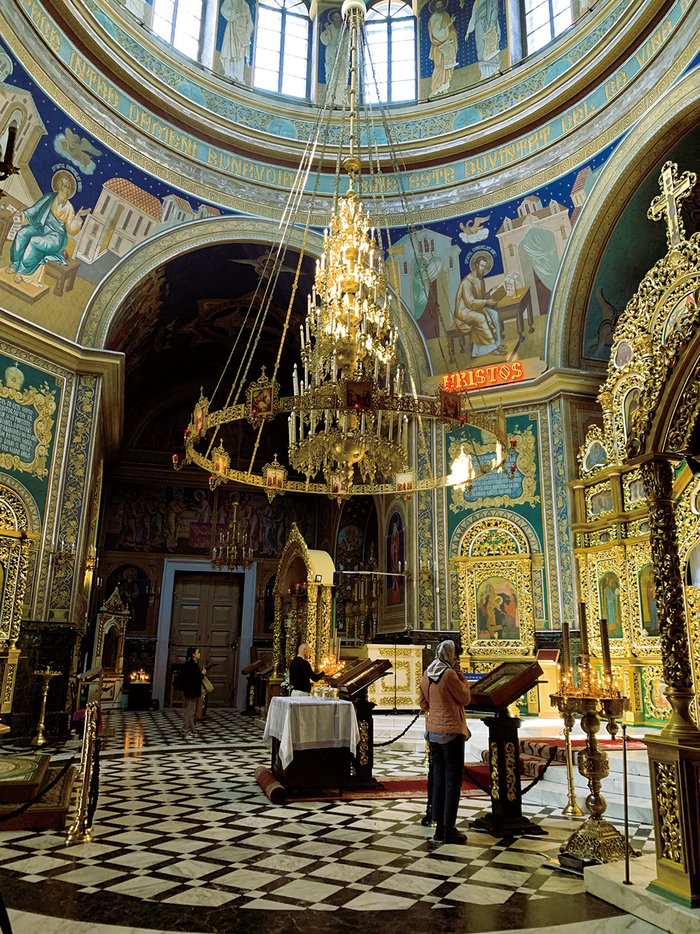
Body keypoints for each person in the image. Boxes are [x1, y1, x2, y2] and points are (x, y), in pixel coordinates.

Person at [419, 640, 471, 845]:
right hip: (451, 732)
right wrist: (463, 680)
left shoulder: (428, 673)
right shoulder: (449, 674)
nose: (456, 658)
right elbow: (465, 698)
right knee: (453, 780)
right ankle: (449, 827)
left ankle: (438, 826)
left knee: (438, 778)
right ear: (450, 655)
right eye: (455, 655)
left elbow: (423, 703)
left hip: (433, 733)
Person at [7, 171, 89, 286]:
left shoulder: (69, 208)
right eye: (65, 186)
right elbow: (35, 209)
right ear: (59, 186)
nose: (67, 190)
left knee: (35, 241)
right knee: (22, 233)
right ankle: (15, 264)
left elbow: (71, 229)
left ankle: (22, 272)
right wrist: (22, 215)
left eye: (69, 188)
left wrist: (78, 217)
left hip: (55, 237)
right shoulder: (50, 197)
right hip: (41, 228)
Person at [453, 252, 508, 358]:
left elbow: (481, 297)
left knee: (494, 314)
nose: (483, 269)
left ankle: (497, 344)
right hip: (464, 311)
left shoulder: (480, 280)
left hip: (475, 308)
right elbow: (470, 302)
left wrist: (492, 291)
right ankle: (492, 348)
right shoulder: (467, 282)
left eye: (485, 266)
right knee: (481, 317)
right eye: (482, 266)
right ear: (476, 265)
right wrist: (486, 302)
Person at [428, 0, 458, 97]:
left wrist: (451, 37)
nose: (440, 6)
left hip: (447, 43)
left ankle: (445, 86)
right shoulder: (434, 18)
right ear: (435, 7)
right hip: (438, 45)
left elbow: (451, 30)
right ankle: (435, 89)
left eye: (441, 4)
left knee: (447, 64)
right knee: (438, 65)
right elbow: (436, 33)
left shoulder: (446, 15)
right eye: (438, 5)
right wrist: (449, 26)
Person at [219, 0, 254, 81]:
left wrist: (248, 30)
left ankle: (239, 77)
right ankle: (228, 73)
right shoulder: (229, 1)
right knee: (229, 50)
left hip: (242, 32)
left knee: (240, 53)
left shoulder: (245, 4)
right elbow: (224, 9)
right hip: (232, 29)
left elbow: (249, 20)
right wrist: (235, 14)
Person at [181, 647, 206, 741]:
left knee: (194, 712)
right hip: (191, 691)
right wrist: (202, 674)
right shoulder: (190, 664)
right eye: (198, 653)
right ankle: (186, 730)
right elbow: (194, 678)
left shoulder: (193, 664)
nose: (199, 654)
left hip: (194, 691)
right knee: (190, 712)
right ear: (193, 655)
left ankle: (192, 729)